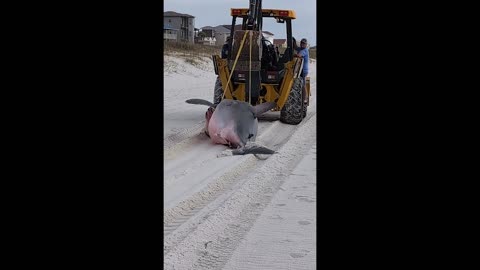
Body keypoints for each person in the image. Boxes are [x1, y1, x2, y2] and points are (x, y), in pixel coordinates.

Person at [294, 38, 309, 103]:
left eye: (304, 43)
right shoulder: (300, 48)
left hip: (303, 70)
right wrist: (293, 41)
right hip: (299, 69)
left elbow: (298, 55)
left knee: (303, 84)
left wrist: (293, 55)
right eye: (301, 43)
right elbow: (295, 47)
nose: (302, 44)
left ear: (306, 44)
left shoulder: (304, 50)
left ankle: (305, 98)